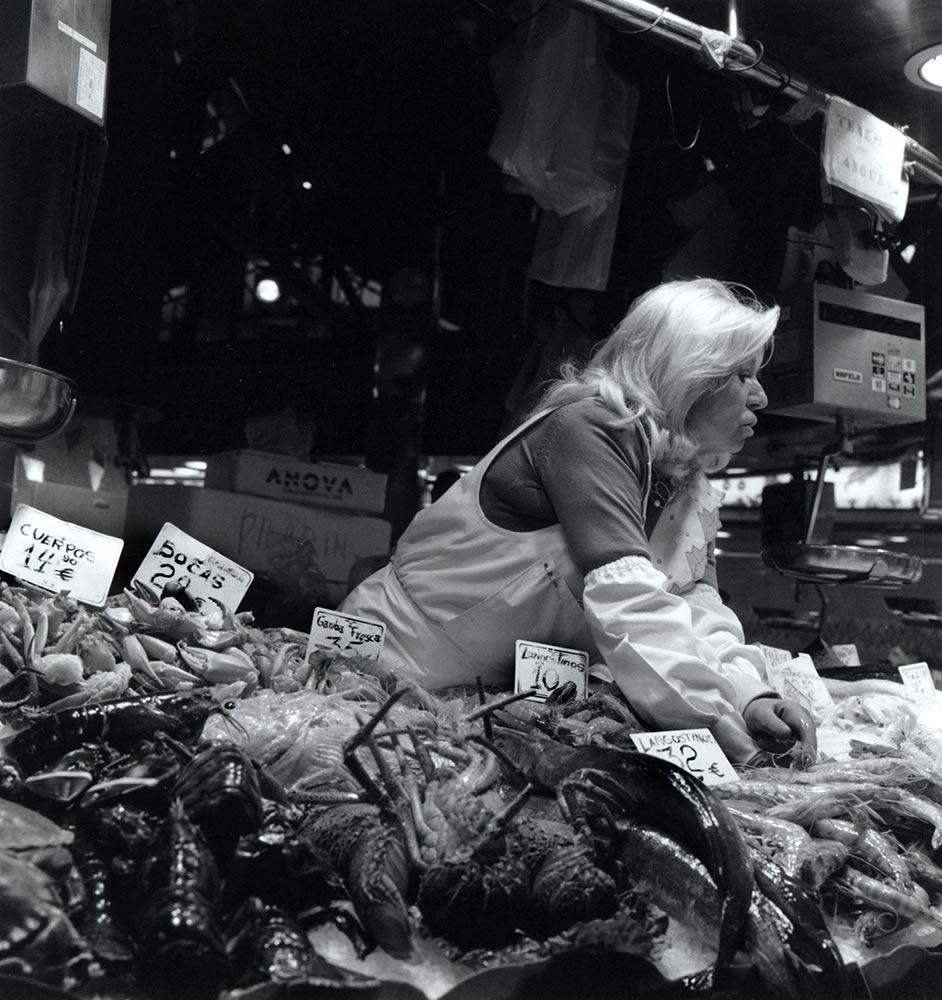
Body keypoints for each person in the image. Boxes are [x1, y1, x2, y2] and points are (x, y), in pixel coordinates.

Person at [340, 277, 816, 765]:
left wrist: (748, 694)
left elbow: (694, 602)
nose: (760, 397)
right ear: (692, 371)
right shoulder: (593, 427)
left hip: (492, 704)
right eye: (743, 374)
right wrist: (710, 715)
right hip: (386, 676)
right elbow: (626, 598)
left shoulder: (687, 478)